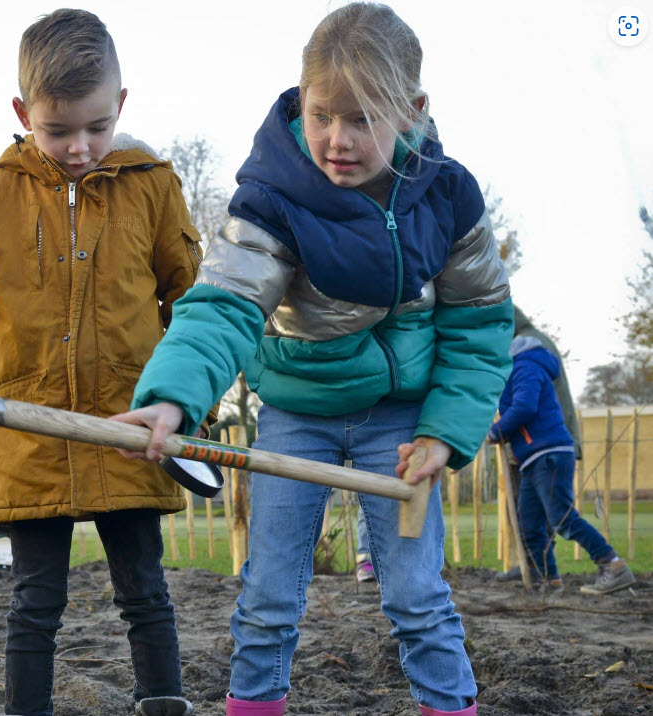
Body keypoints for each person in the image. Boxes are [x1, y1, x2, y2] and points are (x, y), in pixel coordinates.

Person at [111, 5, 513, 715]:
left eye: (361, 119)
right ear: (301, 101)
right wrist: (176, 397)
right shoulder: (273, 197)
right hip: (296, 413)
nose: (336, 139)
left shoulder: (447, 197)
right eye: (322, 114)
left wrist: (443, 433)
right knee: (268, 593)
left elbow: (478, 324)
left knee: (417, 594)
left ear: (412, 112)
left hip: (402, 425)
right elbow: (227, 303)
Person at [0, 10, 200, 716]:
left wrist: (186, 394)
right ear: (22, 112)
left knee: (143, 590)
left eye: (95, 126)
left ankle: (163, 703)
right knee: (35, 601)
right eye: (57, 130)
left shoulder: (152, 184)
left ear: (119, 105)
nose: (79, 146)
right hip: (29, 428)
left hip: (129, 420)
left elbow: (185, 294)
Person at [488, 335, 635, 595]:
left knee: (562, 518)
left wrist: (496, 431)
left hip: (549, 453)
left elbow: (524, 407)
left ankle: (613, 565)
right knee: (530, 526)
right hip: (532, 459)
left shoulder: (527, 365)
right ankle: (550, 580)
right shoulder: (519, 367)